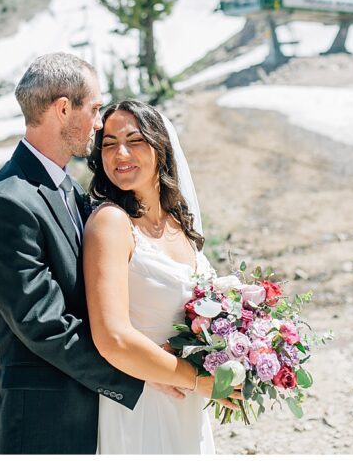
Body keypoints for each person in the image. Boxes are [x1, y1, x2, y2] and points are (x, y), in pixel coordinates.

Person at [0, 53, 190, 454]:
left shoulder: (71, 191)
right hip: (41, 422)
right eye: (95, 108)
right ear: (63, 109)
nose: (100, 122)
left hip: (94, 417)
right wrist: (138, 374)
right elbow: (44, 325)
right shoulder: (9, 202)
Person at [83, 99, 240, 454]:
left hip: (185, 402)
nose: (120, 152)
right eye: (108, 143)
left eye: (134, 140)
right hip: (141, 406)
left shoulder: (178, 225)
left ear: (161, 145)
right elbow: (113, 339)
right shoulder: (110, 223)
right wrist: (199, 380)